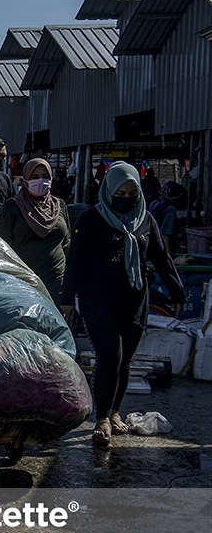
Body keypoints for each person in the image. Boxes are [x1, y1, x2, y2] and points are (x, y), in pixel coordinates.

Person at [61, 162, 184, 447]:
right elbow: (76, 262)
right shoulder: (92, 220)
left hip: (134, 299)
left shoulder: (145, 220)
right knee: (110, 355)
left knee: (126, 359)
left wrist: (177, 293)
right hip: (97, 299)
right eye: (121, 192)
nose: (127, 199)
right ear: (108, 190)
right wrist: (67, 299)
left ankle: (115, 413)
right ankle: (102, 418)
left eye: (132, 193)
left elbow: (162, 259)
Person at [0, 158, 70, 305]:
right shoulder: (12, 206)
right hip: (23, 281)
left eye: (45, 177)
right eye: (35, 177)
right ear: (25, 180)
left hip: (57, 282)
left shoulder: (60, 205)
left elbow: (66, 244)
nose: (40, 181)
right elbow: (2, 247)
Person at [149, 181, 182, 254]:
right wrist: (165, 255)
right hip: (159, 248)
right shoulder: (170, 209)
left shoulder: (154, 203)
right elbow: (165, 233)